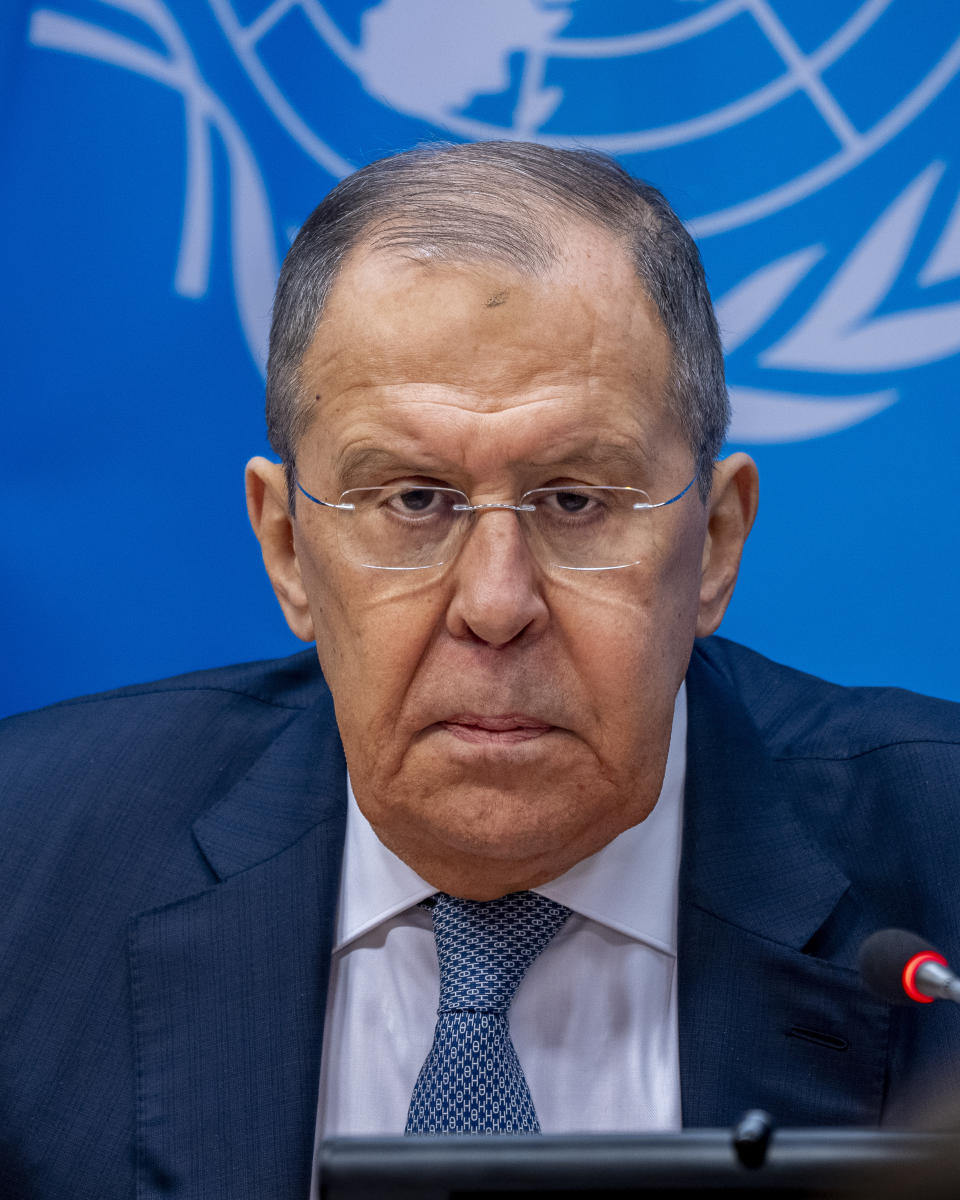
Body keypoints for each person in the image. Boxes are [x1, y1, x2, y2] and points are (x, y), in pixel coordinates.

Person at [1, 142, 958, 1200]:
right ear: (286, 550)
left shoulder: (938, 869)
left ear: (717, 545)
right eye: (412, 501)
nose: (496, 606)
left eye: (576, 501)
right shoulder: (27, 872)